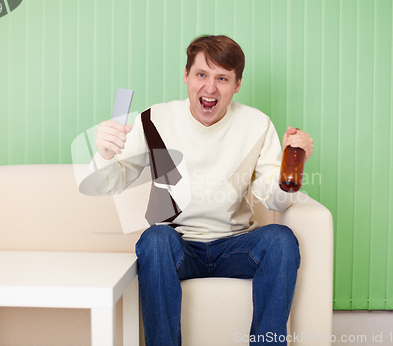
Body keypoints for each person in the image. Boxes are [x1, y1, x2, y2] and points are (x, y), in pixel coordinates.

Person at [92, 35, 313, 346]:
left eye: (222, 78)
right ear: (186, 76)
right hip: (178, 246)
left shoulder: (257, 125)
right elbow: (110, 183)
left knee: (282, 240)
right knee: (154, 239)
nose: (210, 88)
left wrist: (294, 166)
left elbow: (273, 198)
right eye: (201, 75)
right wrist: (103, 154)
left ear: (237, 84)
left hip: (236, 246)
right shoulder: (155, 120)